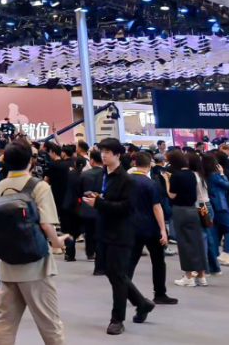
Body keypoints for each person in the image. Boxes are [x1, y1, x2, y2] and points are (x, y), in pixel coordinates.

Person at [0, 140, 65, 345]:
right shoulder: (39, 186)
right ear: (30, 161)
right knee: (50, 324)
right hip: (35, 266)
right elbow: (46, 225)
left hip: (7, 264)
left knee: (5, 324)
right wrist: (57, 242)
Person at [83, 138, 152, 335]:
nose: (103, 155)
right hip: (104, 230)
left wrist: (98, 203)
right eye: (102, 151)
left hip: (121, 232)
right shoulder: (102, 175)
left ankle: (117, 319)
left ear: (118, 155)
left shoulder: (127, 180)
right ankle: (142, 303)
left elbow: (126, 207)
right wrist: (97, 198)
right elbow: (106, 198)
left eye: (107, 152)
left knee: (118, 276)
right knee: (113, 274)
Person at [127, 152, 177, 306]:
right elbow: (157, 207)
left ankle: (123, 291)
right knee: (158, 261)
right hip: (150, 226)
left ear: (135, 163)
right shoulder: (151, 184)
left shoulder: (125, 181)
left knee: (131, 261)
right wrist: (163, 229)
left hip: (131, 226)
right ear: (149, 165)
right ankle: (160, 293)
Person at [165, 149, 207, 287]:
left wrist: (167, 181)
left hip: (180, 210)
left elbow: (172, 195)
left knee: (184, 243)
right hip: (193, 210)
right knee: (197, 242)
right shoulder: (192, 174)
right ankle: (201, 275)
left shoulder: (176, 176)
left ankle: (188, 277)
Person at [203, 152, 229, 267]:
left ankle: (214, 254)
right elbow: (227, 185)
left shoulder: (203, 175)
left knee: (214, 230)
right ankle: (226, 254)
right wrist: (222, 174)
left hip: (210, 204)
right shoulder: (215, 175)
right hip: (220, 204)